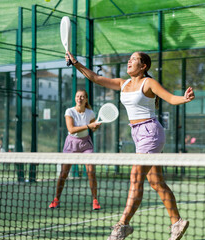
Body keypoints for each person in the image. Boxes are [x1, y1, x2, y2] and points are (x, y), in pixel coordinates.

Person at [65, 51, 195, 240]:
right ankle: (177, 222)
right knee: (155, 182)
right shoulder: (122, 83)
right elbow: (96, 78)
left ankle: (122, 224)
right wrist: (75, 63)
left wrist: (184, 98)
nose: (130, 61)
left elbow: (170, 98)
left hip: (150, 133)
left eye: (134, 59)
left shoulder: (148, 83)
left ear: (143, 66)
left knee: (135, 177)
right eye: (130, 58)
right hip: (137, 134)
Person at [49, 89, 102, 210]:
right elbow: (71, 129)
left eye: (82, 96)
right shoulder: (70, 111)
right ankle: (56, 199)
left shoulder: (90, 113)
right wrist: (89, 126)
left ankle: (95, 200)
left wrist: (96, 127)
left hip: (86, 144)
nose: (80, 98)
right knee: (63, 173)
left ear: (86, 99)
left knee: (91, 172)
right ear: (75, 98)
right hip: (71, 144)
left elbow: (93, 129)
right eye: (78, 96)